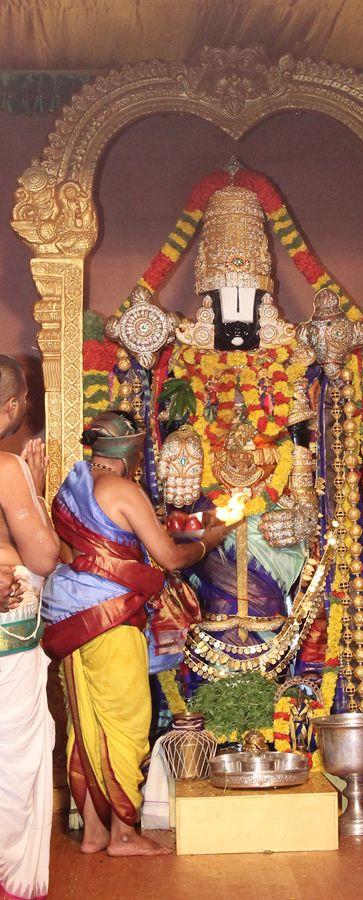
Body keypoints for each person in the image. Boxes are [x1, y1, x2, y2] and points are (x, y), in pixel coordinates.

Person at [41, 411, 233, 857]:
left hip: (70, 623)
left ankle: (93, 833)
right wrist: (211, 540)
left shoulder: (69, 490)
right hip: (111, 620)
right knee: (126, 726)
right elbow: (169, 559)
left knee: (87, 726)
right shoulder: (123, 490)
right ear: (129, 451)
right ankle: (124, 834)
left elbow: (75, 551)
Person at [0, 355, 60, 899]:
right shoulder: (6, 467)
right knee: (10, 763)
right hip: (6, 640)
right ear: (14, 406)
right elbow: (42, 558)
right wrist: (34, 494)